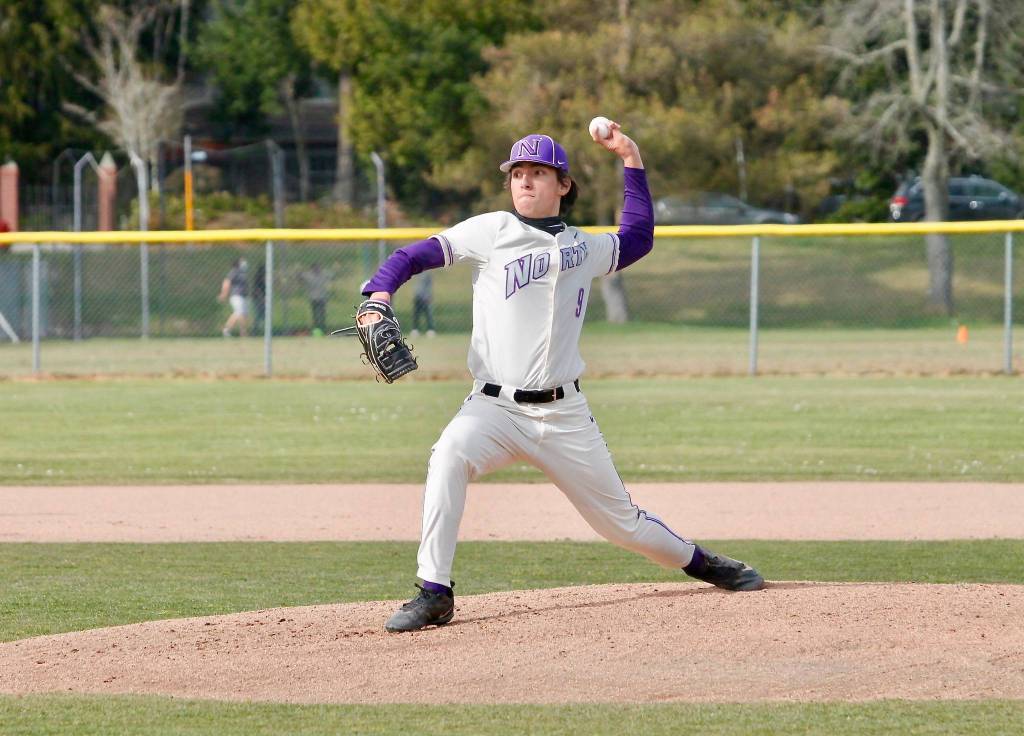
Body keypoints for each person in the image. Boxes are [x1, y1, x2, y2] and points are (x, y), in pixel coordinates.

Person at [359, 126, 765, 633]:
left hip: (564, 412)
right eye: (518, 173)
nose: (525, 181)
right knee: (448, 456)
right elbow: (412, 256)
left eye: (538, 172)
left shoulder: (584, 247)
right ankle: (434, 592)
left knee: (621, 525)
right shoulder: (489, 231)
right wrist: (378, 296)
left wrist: (631, 159)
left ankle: (703, 563)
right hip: (494, 409)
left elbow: (637, 238)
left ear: (563, 185)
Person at [218, 257, 249, 337]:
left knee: (243, 314)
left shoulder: (242, 273)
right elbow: (226, 282)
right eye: (242, 262)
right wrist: (224, 293)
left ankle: (243, 332)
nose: (244, 263)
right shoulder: (234, 272)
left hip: (243, 296)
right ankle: (228, 329)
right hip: (236, 296)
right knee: (239, 313)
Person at [300, 263, 332, 335]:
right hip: (313, 298)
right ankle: (316, 329)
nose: (317, 269)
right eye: (315, 268)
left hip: (322, 298)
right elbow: (301, 276)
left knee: (322, 315)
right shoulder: (309, 275)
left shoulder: (323, 274)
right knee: (315, 315)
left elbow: (331, 274)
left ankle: (323, 329)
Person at [410, 273, 436, 337]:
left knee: (428, 314)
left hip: (425, 297)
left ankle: (430, 330)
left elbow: (429, 286)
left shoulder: (427, 274)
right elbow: (415, 286)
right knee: (416, 314)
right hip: (417, 297)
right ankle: (415, 329)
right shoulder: (416, 273)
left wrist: (428, 296)